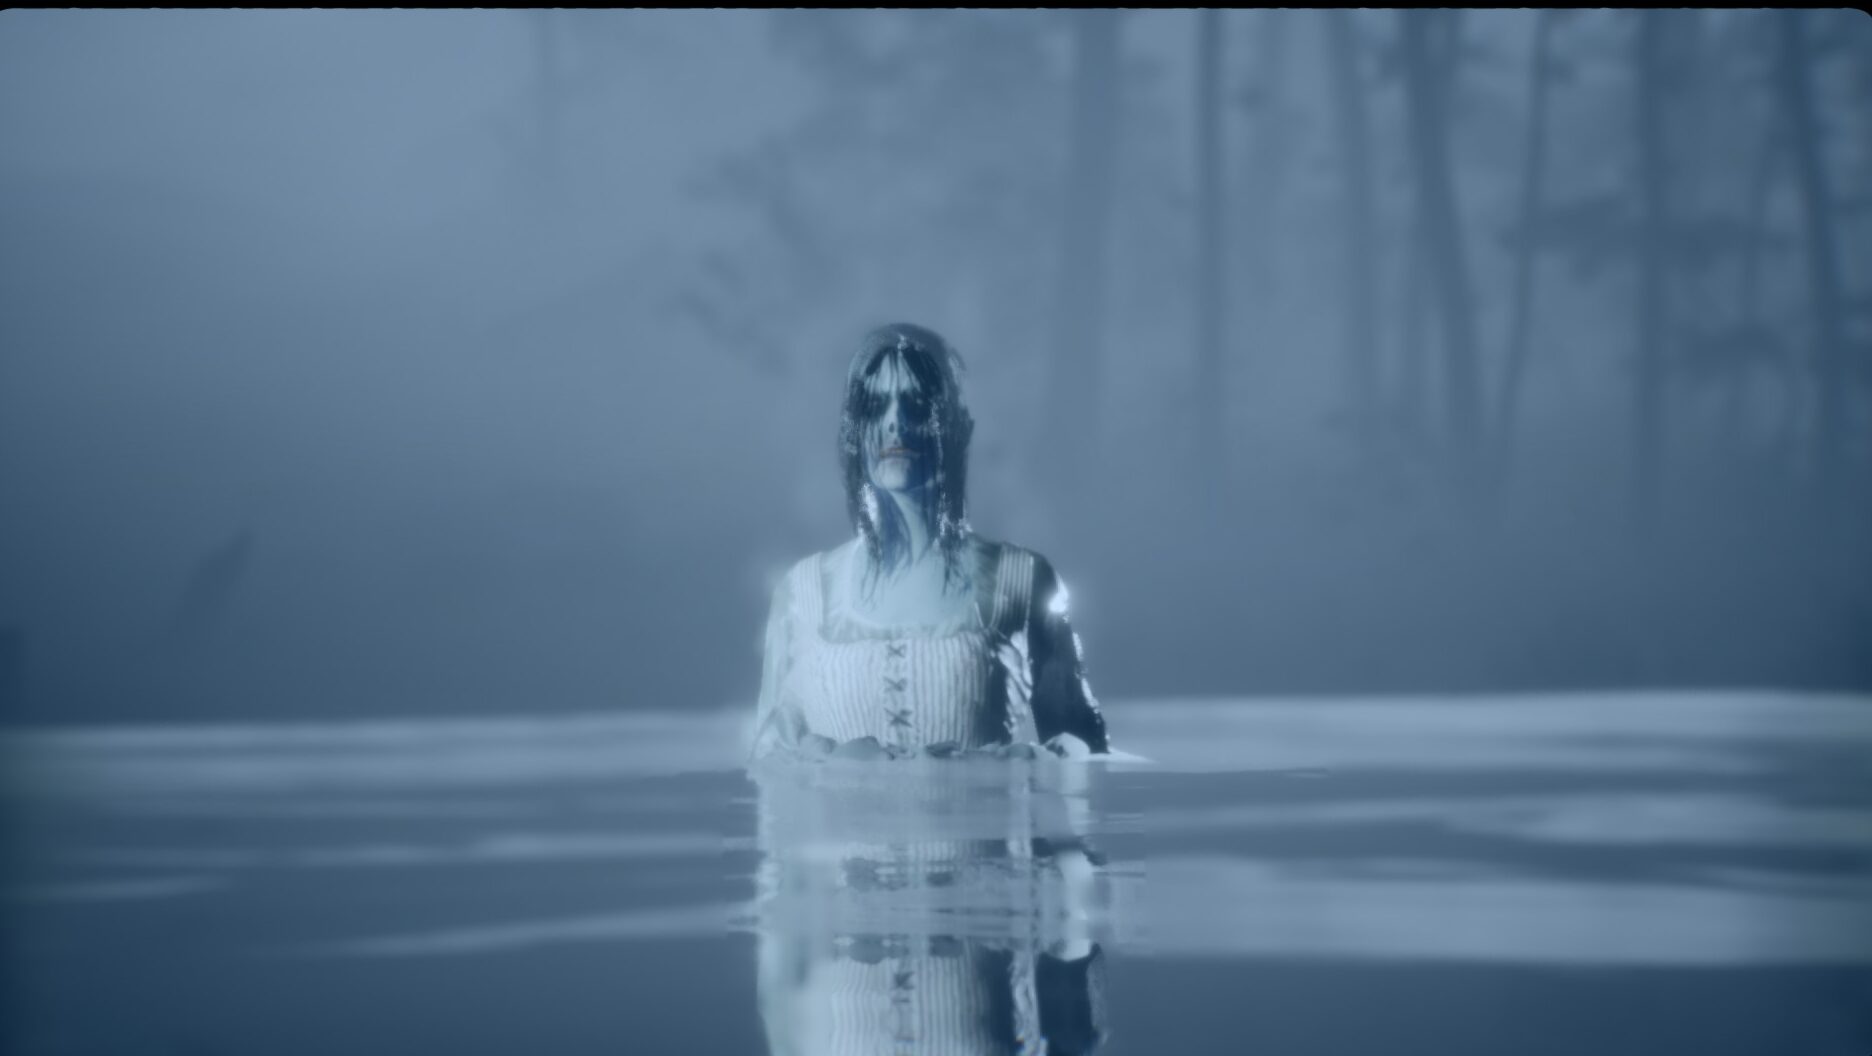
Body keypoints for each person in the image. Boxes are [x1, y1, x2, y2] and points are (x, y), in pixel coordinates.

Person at [749, 323, 1111, 761]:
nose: (895, 422)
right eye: (875, 405)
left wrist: (1034, 761)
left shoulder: (1024, 580)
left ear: (960, 427)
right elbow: (769, 764)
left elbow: (1088, 754)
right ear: (853, 432)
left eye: (917, 405)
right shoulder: (802, 593)